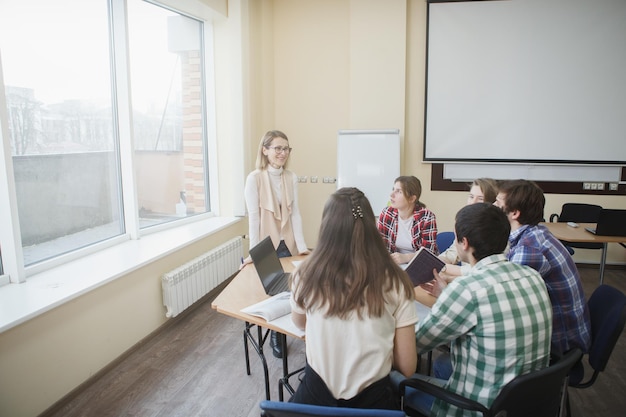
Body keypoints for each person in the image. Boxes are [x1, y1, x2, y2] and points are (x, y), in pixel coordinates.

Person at [391, 203, 553, 416]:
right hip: (526, 402)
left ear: (464, 243)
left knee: (394, 377)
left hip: (477, 408)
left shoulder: (466, 290)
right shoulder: (532, 276)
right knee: (442, 365)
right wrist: (446, 296)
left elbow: (412, 349)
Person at [289, 187, 418, 410]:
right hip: (372, 405)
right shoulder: (396, 281)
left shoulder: (305, 274)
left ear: (326, 226)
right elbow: (407, 367)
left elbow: (300, 323)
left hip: (314, 402)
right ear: (371, 226)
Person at [494, 179, 591, 356]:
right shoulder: (536, 232)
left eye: (497, 203)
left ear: (514, 213)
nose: (492, 206)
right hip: (565, 334)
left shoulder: (528, 248)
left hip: (559, 347)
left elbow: (503, 305)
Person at [244, 130, 309, 358]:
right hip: (266, 243)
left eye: (286, 148)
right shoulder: (255, 178)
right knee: (273, 294)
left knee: (291, 290)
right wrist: (254, 252)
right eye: (277, 148)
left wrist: (302, 247)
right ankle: (276, 335)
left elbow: (296, 214)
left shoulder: (291, 177)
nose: (282, 153)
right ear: (265, 150)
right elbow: (254, 217)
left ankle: (294, 326)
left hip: (288, 242)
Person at [438, 177, 499, 274]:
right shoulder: (465, 222)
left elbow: (485, 270)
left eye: (480, 198)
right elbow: (453, 253)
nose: (473, 202)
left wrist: (445, 268)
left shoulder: (498, 229)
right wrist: (439, 261)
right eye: (471, 196)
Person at [378, 175, 438, 264]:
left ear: (412, 198)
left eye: (398, 191)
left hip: (421, 264)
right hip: (394, 265)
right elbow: (380, 245)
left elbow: (429, 252)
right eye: (393, 189)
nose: (392, 194)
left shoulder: (426, 217)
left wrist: (406, 257)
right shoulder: (387, 213)